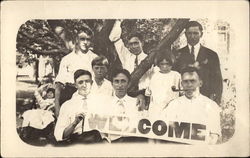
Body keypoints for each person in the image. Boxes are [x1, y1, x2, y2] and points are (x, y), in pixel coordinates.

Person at [163, 67, 221, 144]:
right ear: (182, 84)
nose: (189, 85)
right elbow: (165, 132)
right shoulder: (173, 105)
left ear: (200, 83)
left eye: (193, 81)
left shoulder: (211, 106)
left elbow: (213, 136)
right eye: (185, 81)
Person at [174, 21, 223, 105]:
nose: (192, 36)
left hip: (206, 99)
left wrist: (215, 99)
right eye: (189, 33)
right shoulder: (177, 54)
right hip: (184, 99)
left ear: (201, 34)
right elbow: (174, 78)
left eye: (195, 33)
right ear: (185, 34)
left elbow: (217, 79)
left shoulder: (211, 55)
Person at [54, 26, 98, 117]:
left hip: (89, 95)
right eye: (82, 39)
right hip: (69, 94)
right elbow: (59, 85)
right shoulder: (67, 59)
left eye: (88, 39)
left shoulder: (95, 58)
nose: (85, 42)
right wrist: (57, 106)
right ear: (76, 40)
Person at [54, 69, 103, 144]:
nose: (84, 85)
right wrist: (75, 123)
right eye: (80, 82)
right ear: (75, 85)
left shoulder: (100, 102)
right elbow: (59, 135)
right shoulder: (67, 105)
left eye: (87, 81)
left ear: (92, 83)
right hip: (76, 143)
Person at [109, 20, 153, 91]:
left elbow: (152, 78)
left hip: (144, 92)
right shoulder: (126, 56)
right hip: (128, 92)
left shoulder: (148, 58)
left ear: (142, 43)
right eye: (131, 44)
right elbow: (113, 38)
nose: (133, 46)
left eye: (136, 43)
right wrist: (118, 21)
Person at [106, 69, 148, 143]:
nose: (120, 85)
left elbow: (144, 126)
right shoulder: (106, 103)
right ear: (112, 84)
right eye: (116, 81)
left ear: (128, 84)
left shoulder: (137, 103)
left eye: (123, 81)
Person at [145, 51, 181, 116]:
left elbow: (182, 92)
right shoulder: (154, 76)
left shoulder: (176, 75)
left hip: (172, 109)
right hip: (156, 109)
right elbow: (148, 93)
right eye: (162, 64)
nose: (165, 67)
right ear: (158, 64)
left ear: (171, 63)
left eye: (167, 64)